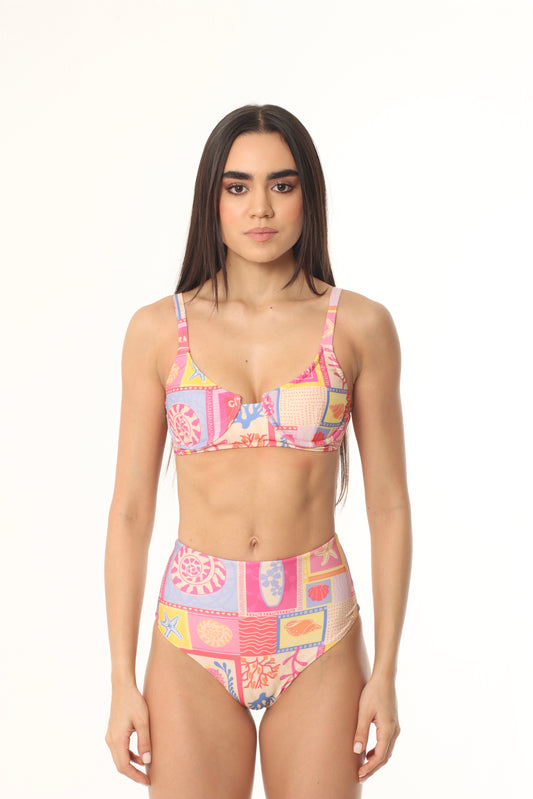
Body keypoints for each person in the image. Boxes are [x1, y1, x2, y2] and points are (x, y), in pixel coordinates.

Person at [104, 103, 412, 798]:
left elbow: (389, 506)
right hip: (193, 631)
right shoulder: (157, 331)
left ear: (309, 195)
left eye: (282, 184)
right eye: (237, 186)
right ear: (211, 199)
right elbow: (129, 511)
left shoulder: (359, 326)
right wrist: (121, 677)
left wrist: (386, 672)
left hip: (317, 629)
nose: (261, 207)